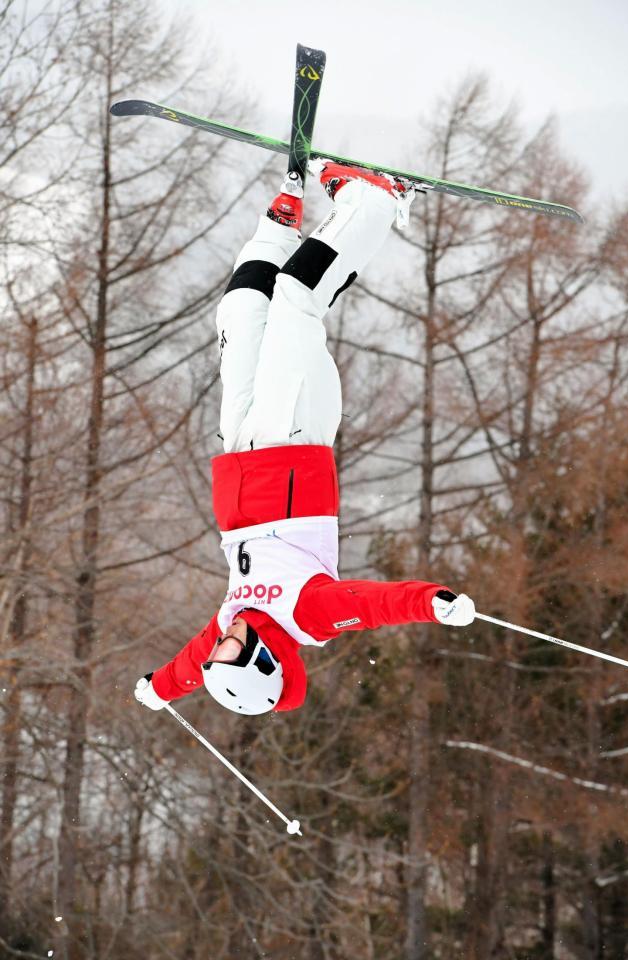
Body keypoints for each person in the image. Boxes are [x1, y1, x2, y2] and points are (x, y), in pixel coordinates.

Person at [135, 160, 475, 717]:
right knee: (295, 296)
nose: (218, 644)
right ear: (263, 660)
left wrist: (158, 689)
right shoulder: (305, 615)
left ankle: (278, 226)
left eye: (215, 652)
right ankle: (374, 204)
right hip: (292, 446)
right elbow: (372, 606)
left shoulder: (229, 625)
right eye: (230, 652)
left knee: (242, 312)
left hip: (240, 456)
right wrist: (434, 604)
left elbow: (187, 668)